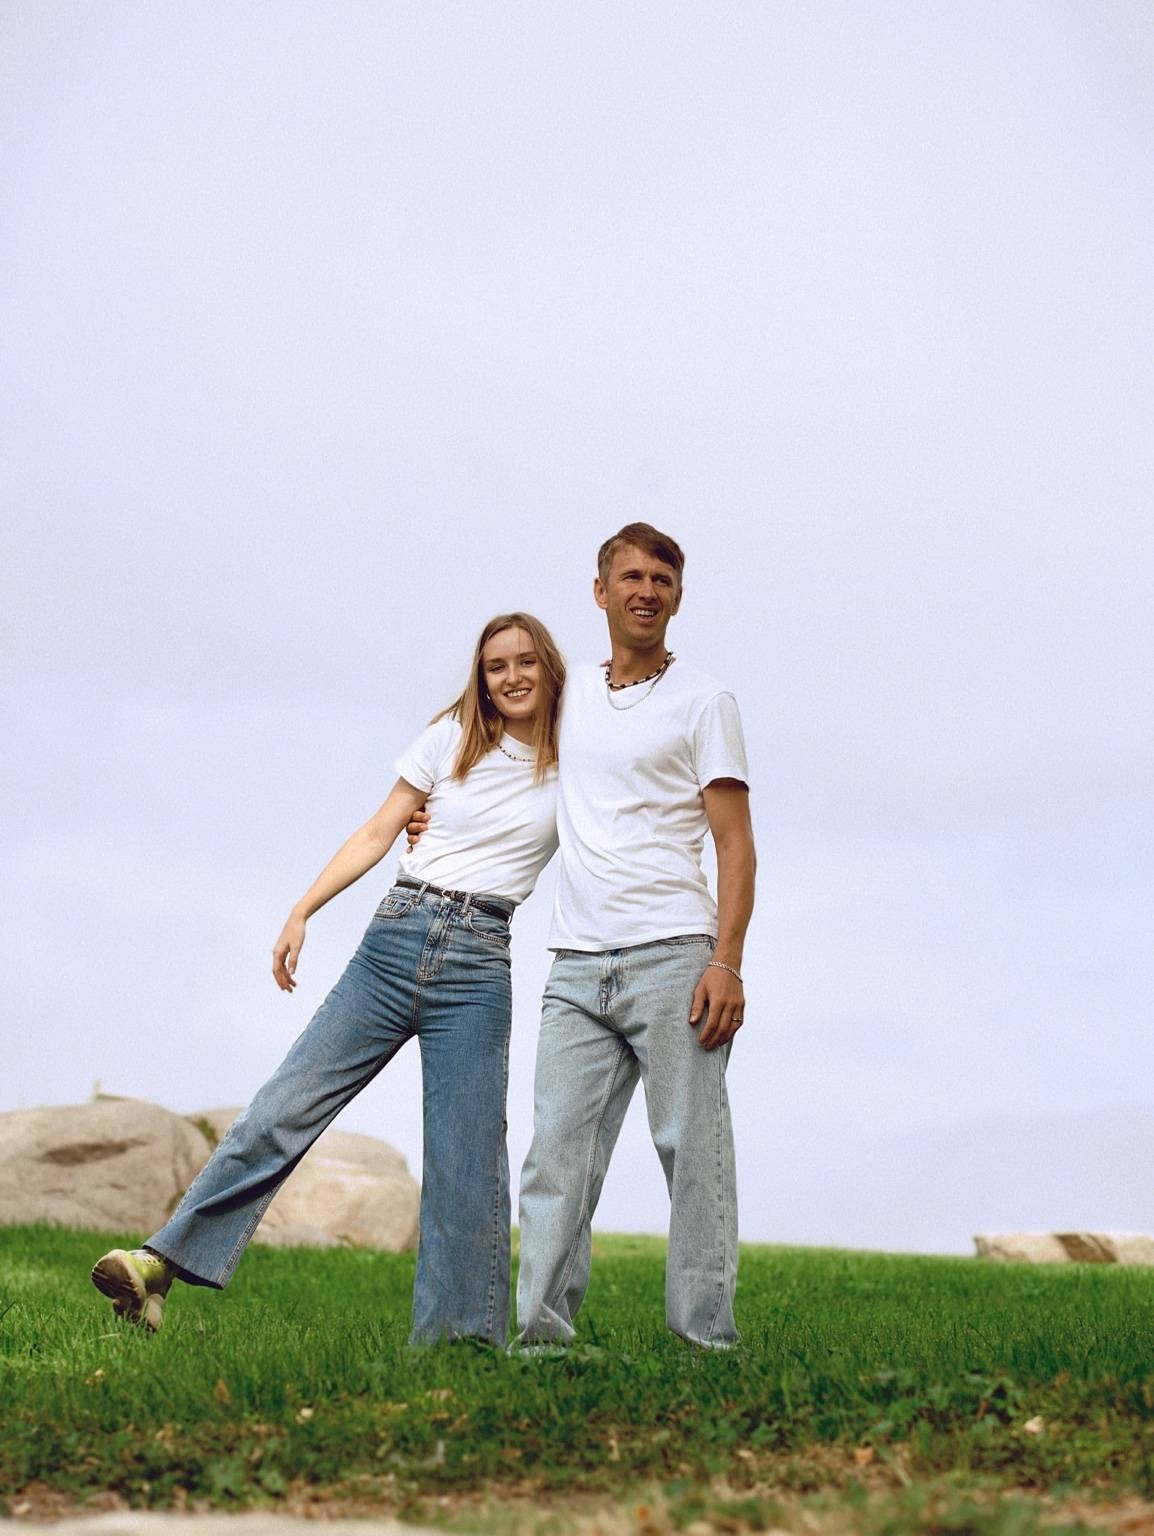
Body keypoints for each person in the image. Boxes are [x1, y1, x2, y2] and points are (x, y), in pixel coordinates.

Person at [90, 613, 565, 1344]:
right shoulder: (451, 738)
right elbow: (379, 830)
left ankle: (459, 1347)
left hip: (479, 962)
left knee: (467, 1160)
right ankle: (159, 1263)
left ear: (549, 666)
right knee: (282, 1108)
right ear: (482, 677)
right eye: (496, 666)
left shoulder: (577, 761)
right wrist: (303, 909)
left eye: (525, 661)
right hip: (396, 936)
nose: (512, 676)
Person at [410, 524, 756, 1349]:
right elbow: (490, 744)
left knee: (693, 1157)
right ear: (600, 592)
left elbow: (735, 844)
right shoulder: (569, 700)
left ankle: (705, 1344)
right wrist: (431, 813)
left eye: (662, 580)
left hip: (675, 956)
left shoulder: (705, 702)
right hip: (575, 967)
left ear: (678, 597)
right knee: (554, 1162)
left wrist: (727, 961)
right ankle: (541, 1342)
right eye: (630, 577)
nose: (646, 591)